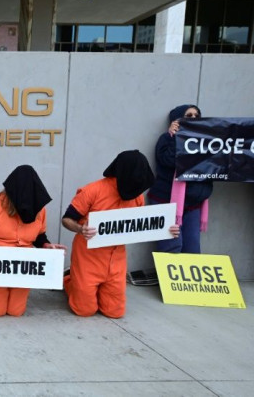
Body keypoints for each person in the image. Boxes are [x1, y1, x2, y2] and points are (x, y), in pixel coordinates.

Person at [62, 150, 180, 318]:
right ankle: (70, 280)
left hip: (116, 259)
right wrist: (81, 229)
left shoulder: (137, 196)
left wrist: (167, 228)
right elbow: (66, 219)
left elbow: (143, 225)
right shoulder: (92, 191)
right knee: (84, 310)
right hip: (88, 257)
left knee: (115, 312)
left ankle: (91, 286)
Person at [0, 165, 65, 317]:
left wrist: (47, 245)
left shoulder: (39, 209)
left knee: (15, 311)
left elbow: (39, 236)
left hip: (22, 267)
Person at [147, 104, 211, 254]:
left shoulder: (205, 142)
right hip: (166, 202)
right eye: (189, 116)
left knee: (192, 249)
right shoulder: (166, 139)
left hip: (193, 204)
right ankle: (168, 278)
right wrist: (175, 137)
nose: (194, 118)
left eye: (197, 116)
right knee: (172, 247)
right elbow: (167, 160)